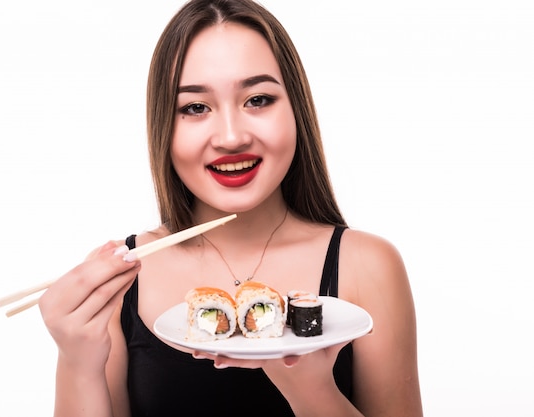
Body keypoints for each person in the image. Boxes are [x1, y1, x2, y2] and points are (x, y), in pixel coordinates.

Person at [38, 0, 423, 416]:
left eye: (258, 100)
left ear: (296, 109)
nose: (230, 136)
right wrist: (77, 361)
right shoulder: (123, 278)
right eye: (195, 108)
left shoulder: (368, 265)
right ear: (163, 126)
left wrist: (310, 390)